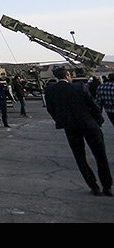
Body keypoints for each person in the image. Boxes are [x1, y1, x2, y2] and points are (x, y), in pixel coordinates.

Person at [44, 67, 112, 197]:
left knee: (80, 157)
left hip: (70, 127)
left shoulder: (50, 90)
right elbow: (93, 105)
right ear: (67, 75)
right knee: (100, 156)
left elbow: (51, 109)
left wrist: (61, 120)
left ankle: (94, 187)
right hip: (89, 124)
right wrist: (98, 121)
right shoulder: (79, 87)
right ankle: (107, 186)